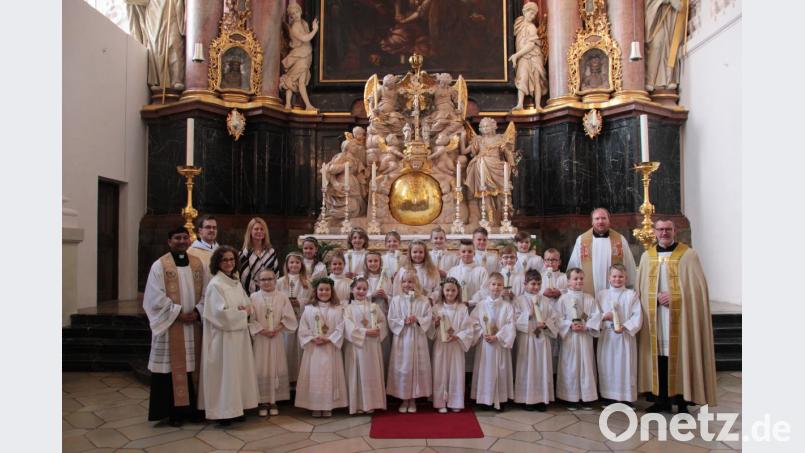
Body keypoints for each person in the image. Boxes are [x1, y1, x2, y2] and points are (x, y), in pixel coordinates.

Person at [636, 219, 717, 413]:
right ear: (654, 232)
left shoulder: (689, 256)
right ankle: (660, 400)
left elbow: (697, 290)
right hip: (655, 319)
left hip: (681, 318)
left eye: (668, 229)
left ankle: (683, 401)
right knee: (659, 357)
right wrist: (653, 297)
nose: (664, 233)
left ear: (675, 231)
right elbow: (640, 289)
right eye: (661, 229)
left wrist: (675, 297)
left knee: (681, 354)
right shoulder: (648, 257)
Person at [143, 226, 205, 427]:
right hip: (171, 325)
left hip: (193, 325)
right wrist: (178, 313)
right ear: (169, 242)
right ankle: (174, 412)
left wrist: (197, 311)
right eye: (177, 238)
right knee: (171, 369)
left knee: (192, 367)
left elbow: (207, 292)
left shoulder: (197, 264)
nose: (182, 241)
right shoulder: (160, 265)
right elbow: (154, 296)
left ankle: (193, 410)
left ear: (189, 240)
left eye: (185, 237)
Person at [198, 245, 259, 425]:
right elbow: (221, 315)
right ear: (217, 262)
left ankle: (236, 408)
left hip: (237, 337)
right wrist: (242, 312)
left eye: (232, 259)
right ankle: (223, 412)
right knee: (225, 374)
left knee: (236, 373)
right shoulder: (216, 284)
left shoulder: (235, 282)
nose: (229, 263)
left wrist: (246, 310)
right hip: (223, 339)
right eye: (225, 260)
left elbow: (247, 304)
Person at [295, 277, 348, 417]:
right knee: (315, 377)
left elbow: (341, 327)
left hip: (330, 347)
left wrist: (329, 338)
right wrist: (312, 338)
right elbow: (303, 327)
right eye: (321, 289)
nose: (324, 292)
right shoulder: (309, 309)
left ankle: (328, 405)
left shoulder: (338, 309)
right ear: (316, 291)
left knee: (329, 376)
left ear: (332, 291)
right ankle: (315, 405)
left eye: (327, 290)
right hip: (314, 349)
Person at [249, 269, 298, 417]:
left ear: (275, 280)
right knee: (261, 367)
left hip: (276, 338)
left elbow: (289, 317)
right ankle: (263, 401)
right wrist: (262, 330)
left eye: (270, 279)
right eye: (263, 280)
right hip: (261, 338)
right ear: (258, 282)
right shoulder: (253, 297)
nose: (267, 282)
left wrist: (277, 329)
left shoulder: (282, 297)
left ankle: (274, 400)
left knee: (276, 366)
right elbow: (250, 318)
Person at [555, 268, 601, 410]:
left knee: (586, 364)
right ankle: (571, 398)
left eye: (581, 278)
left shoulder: (589, 298)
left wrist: (587, 326)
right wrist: (569, 325)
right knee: (570, 366)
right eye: (575, 279)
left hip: (585, 337)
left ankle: (587, 398)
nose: (579, 281)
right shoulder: (563, 299)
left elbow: (596, 316)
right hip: (570, 339)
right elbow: (557, 318)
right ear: (568, 282)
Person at [387, 272, 433, 413]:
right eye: (404, 282)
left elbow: (428, 318)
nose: (407, 284)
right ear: (400, 284)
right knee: (404, 367)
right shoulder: (396, 300)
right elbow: (391, 319)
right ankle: (404, 398)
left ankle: (413, 399)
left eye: (411, 281)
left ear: (416, 283)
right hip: (402, 339)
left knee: (416, 367)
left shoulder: (424, 300)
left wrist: (418, 319)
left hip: (418, 338)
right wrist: (403, 321)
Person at [597, 264, 642, 405]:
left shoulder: (631, 294)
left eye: (621, 276)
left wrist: (625, 326)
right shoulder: (601, 294)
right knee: (607, 365)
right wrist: (604, 317)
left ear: (626, 278)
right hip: (607, 336)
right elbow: (595, 314)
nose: (617, 279)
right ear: (609, 278)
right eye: (614, 276)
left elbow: (637, 315)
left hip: (624, 337)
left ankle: (626, 398)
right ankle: (608, 396)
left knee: (625, 366)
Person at [470, 272, 515, 411]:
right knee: (485, 370)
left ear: (503, 287)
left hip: (499, 344)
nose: (496, 287)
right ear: (488, 286)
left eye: (499, 285)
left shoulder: (507, 306)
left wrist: (498, 336)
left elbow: (511, 324)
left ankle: (500, 399)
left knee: (500, 369)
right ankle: (484, 399)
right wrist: (483, 333)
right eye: (493, 284)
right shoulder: (481, 305)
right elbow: (473, 322)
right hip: (485, 344)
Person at [513, 270, 557, 411]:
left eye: (539, 284)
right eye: (533, 284)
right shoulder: (519, 300)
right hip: (527, 339)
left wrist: (546, 324)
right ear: (525, 284)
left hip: (542, 338)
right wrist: (529, 315)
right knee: (527, 368)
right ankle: (526, 399)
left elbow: (554, 318)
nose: (536, 287)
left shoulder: (545, 300)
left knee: (542, 368)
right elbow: (514, 319)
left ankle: (541, 399)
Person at [429, 278, 475, 413]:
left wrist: (458, 336)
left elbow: (468, 328)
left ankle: (455, 401)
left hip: (456, 345)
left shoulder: (462, 308)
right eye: (447, 290)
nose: (450, 293)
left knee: (456, 372)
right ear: (443, 291)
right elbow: (429, 329)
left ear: (458, 291)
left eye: (453, 290)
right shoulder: (437, 308)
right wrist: (435, 324)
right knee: (440, 372)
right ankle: (440, 402)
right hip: (441, 345)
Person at [343, 277, 388, 414]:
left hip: (372, 346)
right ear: (352, 290)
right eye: (358, 288)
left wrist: (378, 329)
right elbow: (347, 326)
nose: (361, 291)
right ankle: (357, 405)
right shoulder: (348, 308)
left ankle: (372, 404)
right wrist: (366, 331)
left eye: (364, 289)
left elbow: (382, 322)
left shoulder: (374, 307)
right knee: (356, 373)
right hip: (356, 347)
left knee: (371, 373)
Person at [567, 208, 637, 295]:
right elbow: (574, 266)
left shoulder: (620, 239)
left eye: (604, 218)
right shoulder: (582, 240)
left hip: (615, 293)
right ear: (592, 222)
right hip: (589, 295)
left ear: (609, 221)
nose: (600, 221)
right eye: (597, 219)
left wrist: (632, 287)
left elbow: (629, 264)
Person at [276, 252, 311, 385]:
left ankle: (299, 382)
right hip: (285, 321)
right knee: (286, 349)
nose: (294, 265)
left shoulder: (307, 282)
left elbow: (310, 299)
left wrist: (300, 302)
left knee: (299, 351)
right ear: (287, 265)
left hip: (301, 318)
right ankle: (286, 382)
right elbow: (277, 298)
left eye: (297, 262)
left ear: (301, 265)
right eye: (291, 262)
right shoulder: (280, 281)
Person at [280, 3, 319, 110]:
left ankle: (289, 104)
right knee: (295, 79)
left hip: (305, 54)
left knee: (294, 79)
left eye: (296, 12)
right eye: (292, 14)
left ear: (300, 11)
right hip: (299, 56)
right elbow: (305, 39)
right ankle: (306, 105)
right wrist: (315, 30)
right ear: (290, 16)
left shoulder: (303, 23)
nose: (295, 15)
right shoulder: (295, 26)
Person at [509, 2, 547, 110]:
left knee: (536, 80)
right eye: (531, 13)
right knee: (522, 77)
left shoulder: (531, 27)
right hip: (523, 56)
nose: (532, 17)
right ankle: (520, 104)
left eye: (534, 15)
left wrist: (516, 55)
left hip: (534, 55)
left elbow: (531, 45)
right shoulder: (519, 24)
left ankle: (538, 105)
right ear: (524, 12)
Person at [645, 0, 688, 92]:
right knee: (657, 44)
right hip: (656, 15)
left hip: (670, 15)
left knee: (669, 44)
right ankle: (650, 80)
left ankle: (669, 77)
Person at [239, 217, 279, 295]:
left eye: (262, 229)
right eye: (256, 229)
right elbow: (244, 278)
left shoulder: (271, 252)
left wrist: (267, 290)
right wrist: (258, 293)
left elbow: (276, 274)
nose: (259, 231)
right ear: (250, 231)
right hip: (250, 295)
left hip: (270, 293)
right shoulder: (244, 254)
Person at [447, 239, 489, 307]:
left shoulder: (482, 271)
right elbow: (448, 289)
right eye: (463, 251)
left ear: (474, 253)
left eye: (470, 251)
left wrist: (470, 302)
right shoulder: (452, 271)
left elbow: (484, 290)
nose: (466, 254)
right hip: (456, 306)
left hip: (476, 307)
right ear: (459, 253)